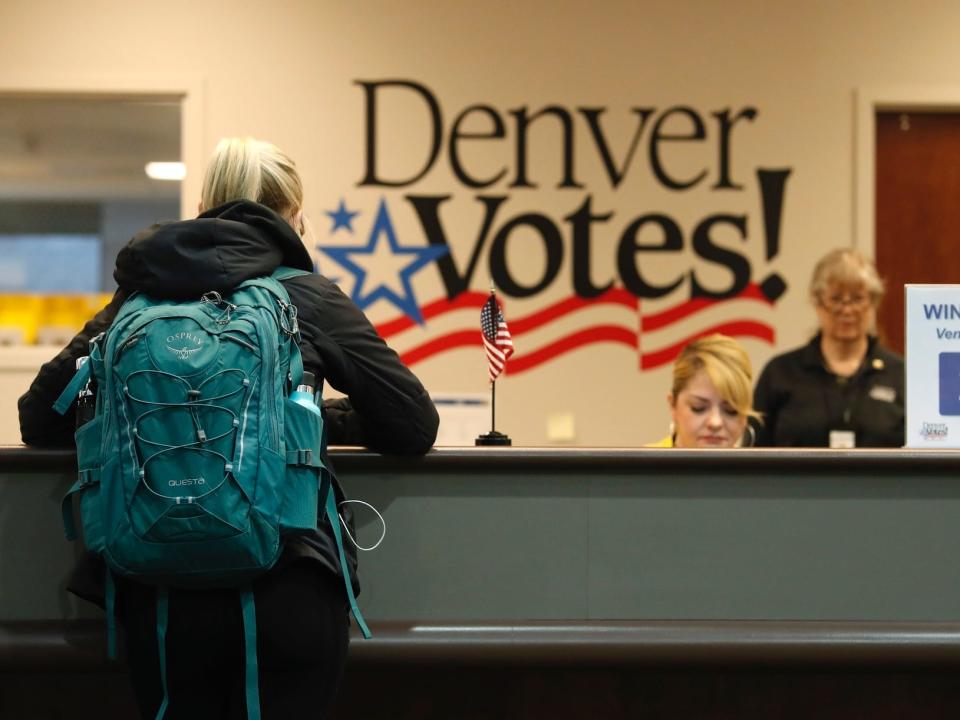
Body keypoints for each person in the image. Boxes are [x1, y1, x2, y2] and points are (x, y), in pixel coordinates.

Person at [18, 137, 439, 719]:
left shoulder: (138, 299)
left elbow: (38, 417)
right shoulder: (306, 296)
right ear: (293, 213)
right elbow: (412, 424)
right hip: (288, 586)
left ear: (205, 203)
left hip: (158, 595)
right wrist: (309, 416)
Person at [753, 248, 904, 448]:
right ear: (817, 302)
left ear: (873, 302)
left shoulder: (901, 374)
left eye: (858, 298)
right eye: (836, 298)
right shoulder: (780, 372)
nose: (847, 309)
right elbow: (755, 451)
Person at [650, 333, 759, 448]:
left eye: (730, 410)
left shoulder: (761, 467)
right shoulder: (639, 465)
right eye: (699, 407)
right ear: (673, 405)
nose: (715, 422)